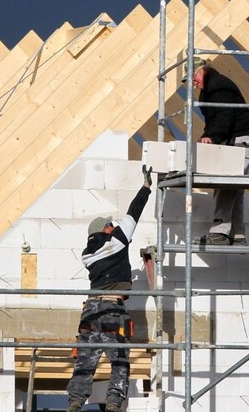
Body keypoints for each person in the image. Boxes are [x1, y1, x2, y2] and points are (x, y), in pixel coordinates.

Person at [66, 165, 153, 412]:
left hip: (90, 311)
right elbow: (133, 213)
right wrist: (145, 188)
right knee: (120, 361)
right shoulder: (117, 240)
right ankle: (114, 403)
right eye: (111, 225)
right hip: (113, 309)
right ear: (106, 228)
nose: (114, 227)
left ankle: (75, 401)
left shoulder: (86, 255)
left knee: (85, 360)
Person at [184, 57, 249, 246]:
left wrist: (213, 137)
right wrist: (207, 135)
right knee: (234, 188)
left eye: (193, 78)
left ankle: (220, 232)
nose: (193, 83)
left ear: (201, 71)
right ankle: (238, 234)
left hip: (238, 142)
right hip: (238, 141)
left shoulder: (217, 86)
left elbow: (225, 116)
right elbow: (214, 121)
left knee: (224, 185)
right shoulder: (210, 89)